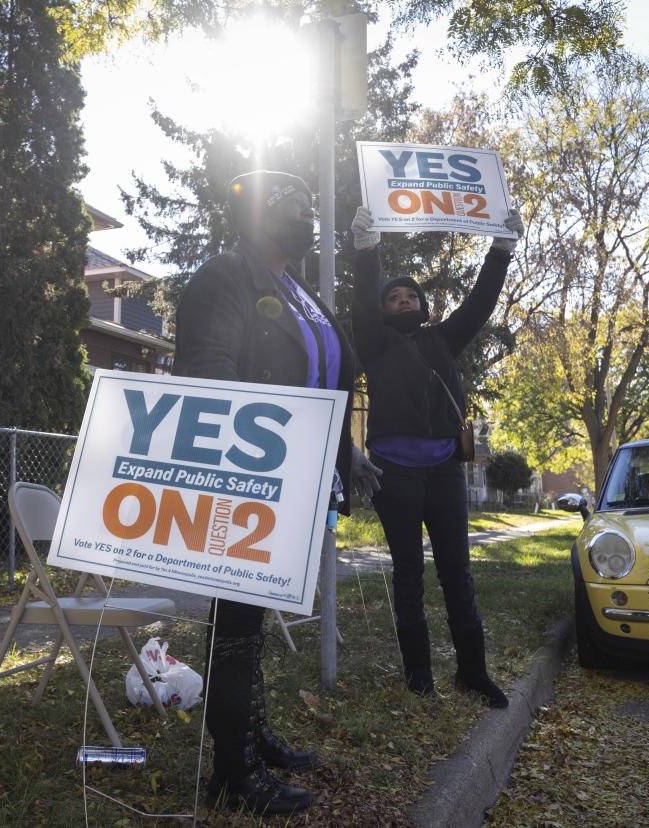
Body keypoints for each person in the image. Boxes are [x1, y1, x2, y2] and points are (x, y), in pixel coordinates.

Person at [173, 170, 376, 815]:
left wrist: (346, 450)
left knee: (254, 618)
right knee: (234, 621)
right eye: (294, 205)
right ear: (257, 213)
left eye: (311, 204)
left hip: (299, 476)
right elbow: (209, 379)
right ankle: (231, 771)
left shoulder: (298, 292)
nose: (309, 215)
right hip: (249, 479)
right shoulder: (224, 277)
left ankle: (251, 733)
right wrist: (262, 459)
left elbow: (324, 383)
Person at [347, 204, 523, 705]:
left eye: (411, 296)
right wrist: (367, 251)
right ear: (384, 311)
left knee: (457, 573)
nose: (403, 302)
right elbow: (361, 302)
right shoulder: (374, 344)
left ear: (423, 305)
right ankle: (419, 680)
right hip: (394, 477)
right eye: (394, 298)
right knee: (409, 577)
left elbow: (482, 302)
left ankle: (473, 672)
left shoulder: (444, 339)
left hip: (444, 472)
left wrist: (501, 250)